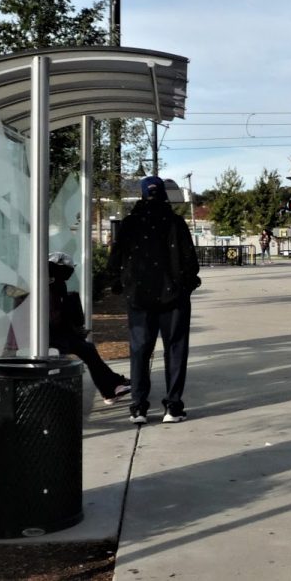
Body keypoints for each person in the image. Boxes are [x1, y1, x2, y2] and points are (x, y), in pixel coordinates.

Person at [109, 176, 202, 424]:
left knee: (139, 351)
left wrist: (121, 285)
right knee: (175, 350)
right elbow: (191, 261)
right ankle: (173, 407)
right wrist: (186, 286)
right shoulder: (176, 223)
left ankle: (138, 407)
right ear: (164, 194)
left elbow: (115, 259)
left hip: (139, 298)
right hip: (173, 298)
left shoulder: (129, 224)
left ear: (141, 194)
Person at [47, 252, 131, 404]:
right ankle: (113, 387)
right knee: (88, 350)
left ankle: (113, 386)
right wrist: (73, 328)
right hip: (51, 336)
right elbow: (56, 317)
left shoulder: (53, 282)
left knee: (88, 350)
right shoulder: (54, 284)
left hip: (54, 334)